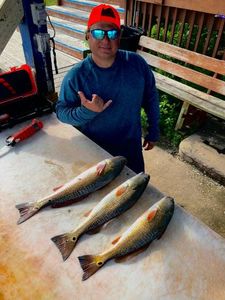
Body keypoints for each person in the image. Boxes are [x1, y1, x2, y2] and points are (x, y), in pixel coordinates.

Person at [55, 4, 160, 173]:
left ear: (119, 37)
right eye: (98, 33)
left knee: (135, 191)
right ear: (87, 35)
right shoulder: (76, 75)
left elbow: (151, 97)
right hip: (94, 154)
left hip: (131, 149)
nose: (105, 40)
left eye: (112, 33)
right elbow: (61, 112)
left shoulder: (137, 64)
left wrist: (154, 130)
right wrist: (86, 111)